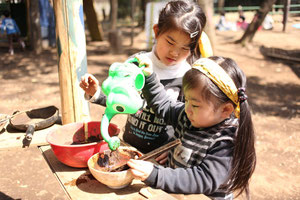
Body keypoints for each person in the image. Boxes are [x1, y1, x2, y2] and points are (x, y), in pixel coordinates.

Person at [80, 0, 206, 161]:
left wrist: (174, 148)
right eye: (170, 42)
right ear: (156, 31)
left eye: (184, 48)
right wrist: (95, 94)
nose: (174, 52)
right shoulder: (136, 63)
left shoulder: (188, 77)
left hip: (159, 158)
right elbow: (119, 101)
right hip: (128, 148)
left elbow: (188, 123)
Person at [127, 55, 256, 199]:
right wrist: (149, 78)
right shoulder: (189, 115)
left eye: (194, 104)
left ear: (225, 110)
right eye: (186, 99)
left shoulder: (227, 141)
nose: (187, 108)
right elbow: (163, 104)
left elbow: (203, 178)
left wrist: (156, 175)